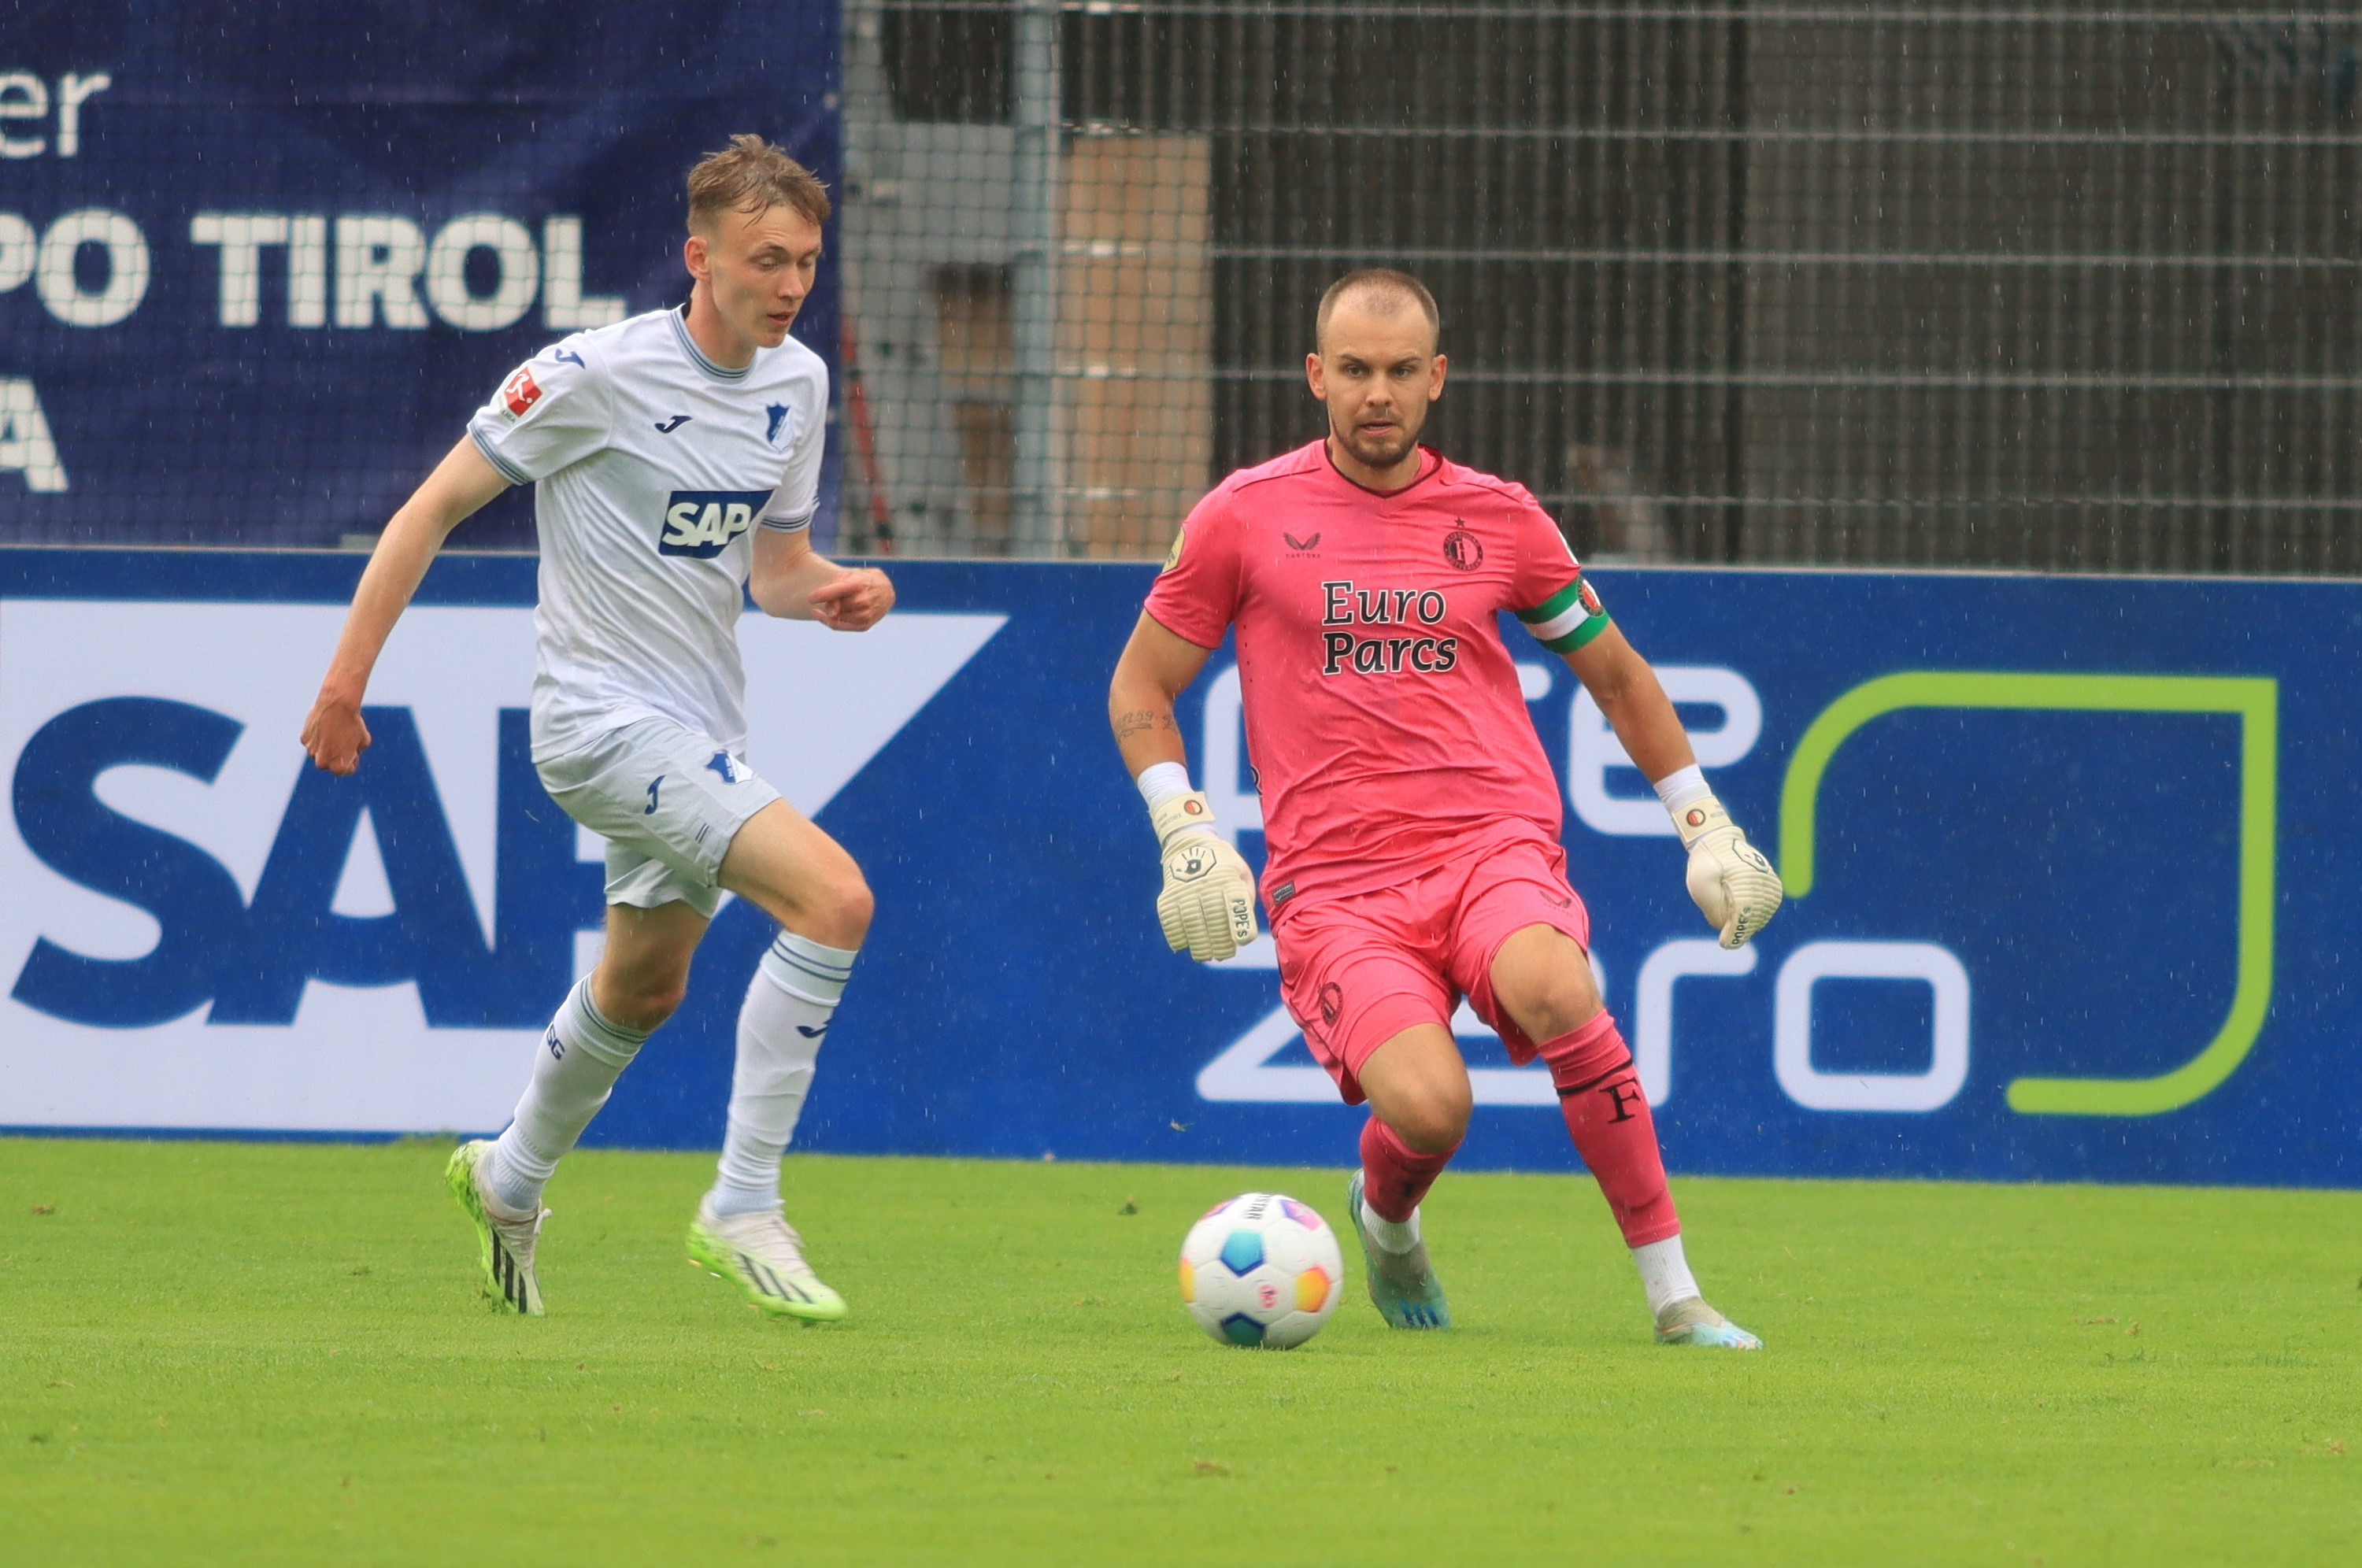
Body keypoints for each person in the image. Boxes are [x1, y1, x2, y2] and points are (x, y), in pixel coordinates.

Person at [1107, 269, 1783, 1346]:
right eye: (1358, 371)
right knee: (1430, 1110)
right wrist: (1183, 829)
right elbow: (1140, 687)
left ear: (1438, 381)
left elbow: (1618, 676)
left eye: (1402, 372)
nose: (1379, 393)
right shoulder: (1244, 516)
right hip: (1335, 885)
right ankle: (1383, 1218)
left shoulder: (1502, 519)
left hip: (1489, 844)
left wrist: (1706, 824)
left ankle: (1676, 1297)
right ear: (1317, 376)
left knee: (1558, 986)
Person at [299, 135, 893, 1321]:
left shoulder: (799, 386)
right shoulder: (590, 376)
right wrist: (342, 683)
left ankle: (509, 1176)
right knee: (835, 901)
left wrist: (826, 587)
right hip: (596, 722)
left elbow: (769, 570)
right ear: (699, 256)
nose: (788, 284)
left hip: (697, 724)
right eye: (766, 259)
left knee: (643, 986)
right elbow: (428, 511)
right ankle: (743, 1203)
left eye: (807, 263)